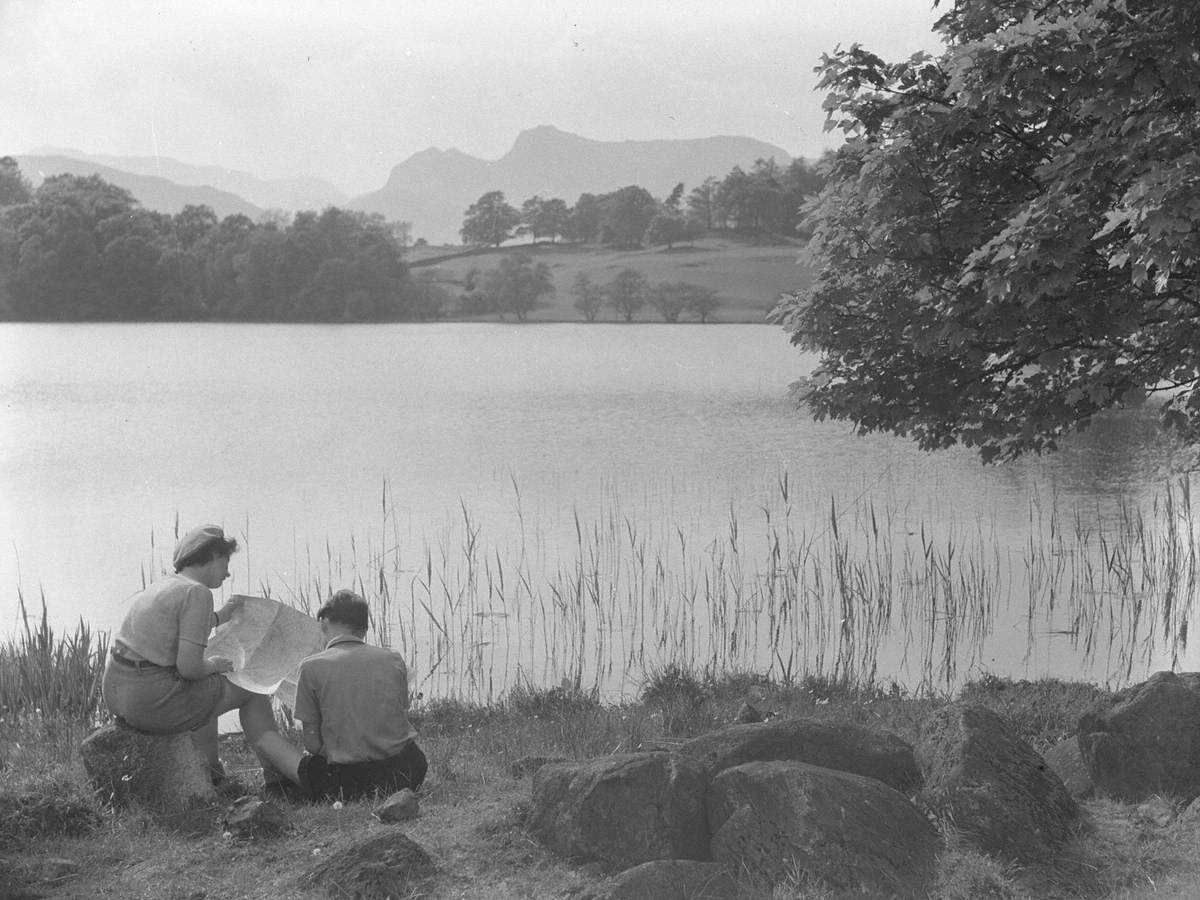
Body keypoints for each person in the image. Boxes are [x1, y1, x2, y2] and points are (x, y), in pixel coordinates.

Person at [102, 524, 305, 792]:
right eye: (225, 562)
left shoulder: (166, 584)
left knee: (209, 691)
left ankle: (212, 771)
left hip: (118, 691)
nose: (228, 572)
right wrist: (214, 665)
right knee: (251, 690)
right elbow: (189, 669)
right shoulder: (197, 593)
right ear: (211, 558)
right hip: (149, 701)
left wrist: (223, 615)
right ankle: (279, 780)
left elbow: (182, 626)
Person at [293, 589, 427, 801]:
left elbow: (311, 742)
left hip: (347, 782)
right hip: (403, 774)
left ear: (325, 622)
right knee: (412, 753)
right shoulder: (392, 659)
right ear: (364, 629)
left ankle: (276, 785)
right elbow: (400, 714)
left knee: (308, 767)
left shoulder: (311, 667)